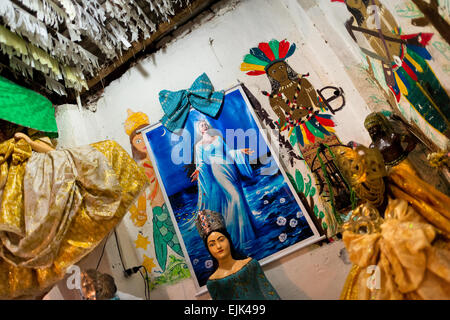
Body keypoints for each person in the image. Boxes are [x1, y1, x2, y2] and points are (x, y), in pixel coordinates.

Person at [0, 78, 149, 299]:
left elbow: (49, 151)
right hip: (18, 193)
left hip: (35, 184)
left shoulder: (29, 139)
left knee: (96, 159)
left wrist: (27, 143)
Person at [190, 119, 257, 252]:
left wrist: (240, 151)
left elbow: (228, 152)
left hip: (230, 168)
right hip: (218, 171)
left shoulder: (218, 138)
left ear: (207, 125)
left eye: (204, 124)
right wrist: (198, 170)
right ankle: (235, 235)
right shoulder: (199, 146)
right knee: (235, 197)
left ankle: (249, 234)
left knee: (240, 198)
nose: (204, 126)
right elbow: (202, 162)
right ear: (199, 129)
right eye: (201, 125)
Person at [196, 210, 280, 300]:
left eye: (221, 240)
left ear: (228, 240)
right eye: (212, 244)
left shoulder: (250, 265)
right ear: (208, 249)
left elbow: (268, 291)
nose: (218, 246)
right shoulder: (213, 282)